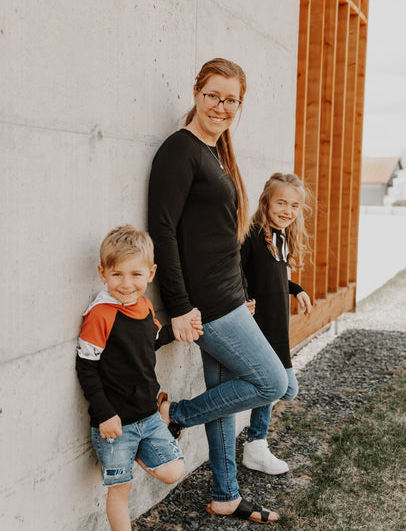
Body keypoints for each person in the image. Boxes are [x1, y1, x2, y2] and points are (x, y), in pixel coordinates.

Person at [148, 58, 289, 525]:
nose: (221, 106)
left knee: (227, 396)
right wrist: (179, 306)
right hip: (207, 303)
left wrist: (243, 288)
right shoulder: (180, 150)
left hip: (229, 295)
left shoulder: (215, 153)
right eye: (213, 95)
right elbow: (163, 231)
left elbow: (221, 236)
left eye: (231, 100)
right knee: (272, 382)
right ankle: (175, 415)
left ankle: (226, 495)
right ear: (196, 93)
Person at [76, 225, 202, 531]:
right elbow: (86, 369)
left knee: (174, 471)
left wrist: (178, 331)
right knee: (121, 489)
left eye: (135, 274)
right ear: (102, 273)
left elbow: (151, 339)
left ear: (151, 273)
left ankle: (136, 451)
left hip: (149, 416)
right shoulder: (100, 314)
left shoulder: (143, 305)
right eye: (117, 274)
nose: (127, 283)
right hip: (116, 424)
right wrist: (105, 414)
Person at [240, 172, 312, 475]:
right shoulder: (253, 234)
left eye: (294, 206)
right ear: (266, 202)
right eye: (281, 203)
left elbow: (274, 277)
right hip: (261, 325)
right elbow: (238, 269)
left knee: (286, 389)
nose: (287, 210)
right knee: (277, 387)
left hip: (278, 326)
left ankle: (255, 442)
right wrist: (243, 298)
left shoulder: (279, 236)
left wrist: (296, 289)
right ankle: (255, 444)